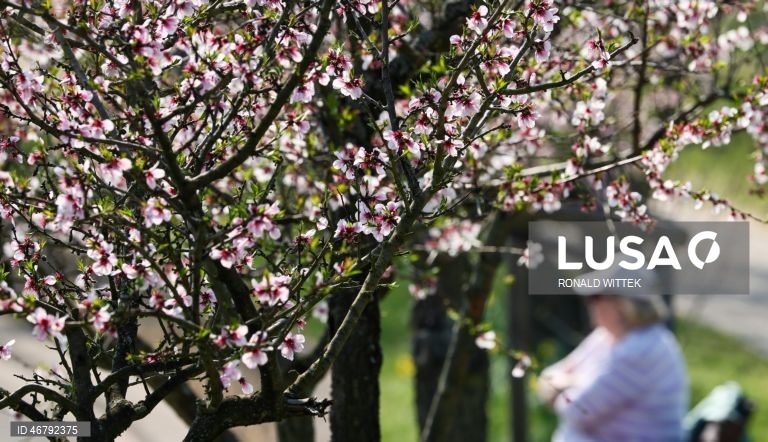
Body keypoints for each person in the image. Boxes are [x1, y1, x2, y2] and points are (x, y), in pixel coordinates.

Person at [538, 266, 689, 442]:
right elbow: (546, 378)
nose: (590, 304)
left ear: (622, 304)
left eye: (597, 297)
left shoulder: (641, 350)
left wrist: (569, 382)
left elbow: (576, 410)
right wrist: (576, 384)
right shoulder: (605, 337)